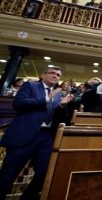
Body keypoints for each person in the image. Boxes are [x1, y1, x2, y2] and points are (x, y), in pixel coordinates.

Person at [0, 67, 73, 199]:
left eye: (58, 74)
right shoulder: (31, 86)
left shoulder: (58, 94)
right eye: (53, 73)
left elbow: (61, 118)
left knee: (44, 175)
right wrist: (45, 99)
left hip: (46, 138)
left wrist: (62, 106)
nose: (56, 76)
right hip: (24, 135)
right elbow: (18, 104)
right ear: (43, 74)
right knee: (7, 175)